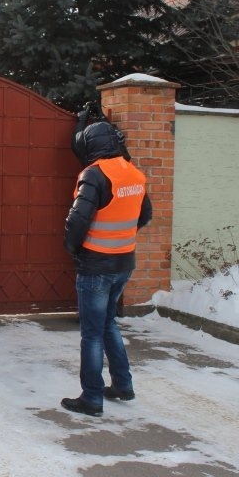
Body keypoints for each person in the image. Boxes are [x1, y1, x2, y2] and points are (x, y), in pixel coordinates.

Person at [61, 121, 152, 418]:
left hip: (96, 264)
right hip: (124, 261)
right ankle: (123, 385)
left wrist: (73, 247)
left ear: (91, 145)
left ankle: (91, 398)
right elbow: (145, 214)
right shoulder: (133, 172)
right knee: (108, 322)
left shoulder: (94, 174)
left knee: (91, 333)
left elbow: (77, 219)